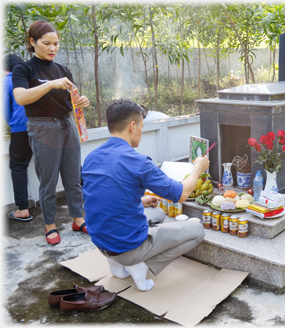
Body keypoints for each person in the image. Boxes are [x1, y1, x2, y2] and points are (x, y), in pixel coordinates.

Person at [82, 99, 209, 292]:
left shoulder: (91, 157)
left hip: (100, 241)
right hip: (127, 246)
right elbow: (181, 194)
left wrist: (141, 200)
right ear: (133, 126)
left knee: (157, 214)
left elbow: (103, 197)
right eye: (142, 125)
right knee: (197, 232)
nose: (142, 130)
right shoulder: (138, 162)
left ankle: (115, 263)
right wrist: (198, 168)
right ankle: (141, 265)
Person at [12, 20, 91, 245]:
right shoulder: (24, 69)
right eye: (46, 43)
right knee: (48, 180)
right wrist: (50, 84)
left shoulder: (63, 70)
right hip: (42, 127)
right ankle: (50, 226)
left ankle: (78, 218)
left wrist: (80, 102)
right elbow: (20, 97)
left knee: (74, 177)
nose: (52, 48)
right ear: (32, 42)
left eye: (56, 43)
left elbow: (70, 101)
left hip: (67, 125)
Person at [4, 54, 33, 222]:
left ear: (6, 70)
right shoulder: (34, 78)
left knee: (18, 166)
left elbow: (5, 110)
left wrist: (14, 124)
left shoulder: (7, 81)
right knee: (57, 160)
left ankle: (22, 209)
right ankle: (87, 190)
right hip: (44, 125)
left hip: (21, 129)